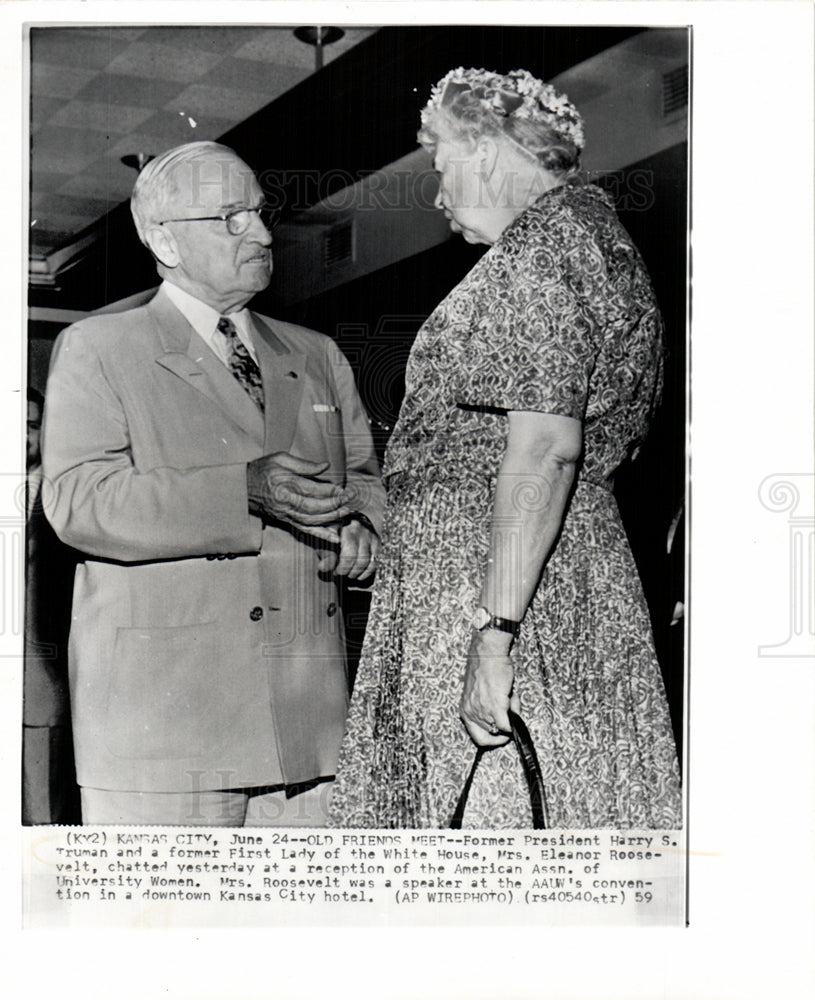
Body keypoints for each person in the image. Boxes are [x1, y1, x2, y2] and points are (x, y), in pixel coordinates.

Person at [330, 68, 682, 829]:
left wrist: (495, 638)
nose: (437, 193)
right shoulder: (589, 236)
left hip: (496, 592)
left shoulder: (544, 245)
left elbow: (547, 449)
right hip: (549, 578)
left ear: (485, 152)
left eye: (442, 164)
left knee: (489, 839)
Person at [41, 141, 383, 827]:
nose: (259, 234)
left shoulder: (315, 355)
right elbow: (79, 502)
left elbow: (366, 478)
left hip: (306, 727)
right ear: (162, 239)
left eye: (258, 212)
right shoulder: (99, 347)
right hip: (166, 726)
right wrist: (240, 491)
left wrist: (363, 527)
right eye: (228, 218)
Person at [22, 387, 80, 824]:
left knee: (42, 817)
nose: (18, 435)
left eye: (31, 426)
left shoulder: (68, 497)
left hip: (40, 685)